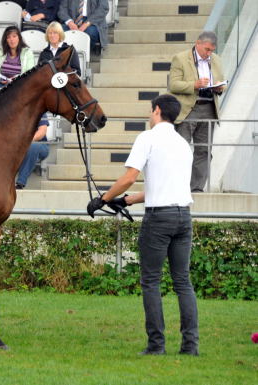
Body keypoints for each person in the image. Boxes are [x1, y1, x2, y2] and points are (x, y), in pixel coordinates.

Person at [87, 94, 199, 357]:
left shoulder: (147, 138)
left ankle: (156, 345)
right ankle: (190, 346)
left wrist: (101, 199)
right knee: (183, 282)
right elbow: (164, 185)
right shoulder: (184, 144)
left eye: (151, 111)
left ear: (157, 110)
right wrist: (126, 201)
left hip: (159, 218)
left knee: (151, 281)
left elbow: (129, 177)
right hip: (184, 216)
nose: (150, 116)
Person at [169, 31, 225, 193]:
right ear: (198, 43)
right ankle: (178, 185)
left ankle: (196, 188)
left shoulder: (216, 60)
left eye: (211, 50)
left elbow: (221, 80)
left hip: (209, 108)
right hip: (189, 109)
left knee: (204, 150)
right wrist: (195, 84)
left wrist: (219, 87)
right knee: (182, 149)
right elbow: (173, 85)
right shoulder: (180, 58)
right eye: (207, 49)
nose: (209, 53)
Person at [16, 114, 49, 189]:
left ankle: (20, 183)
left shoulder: (40, 113)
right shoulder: (16, 112)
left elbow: (42, 131)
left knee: (33, 147)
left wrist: (27, 141)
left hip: (41, 145)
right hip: (19, 147)